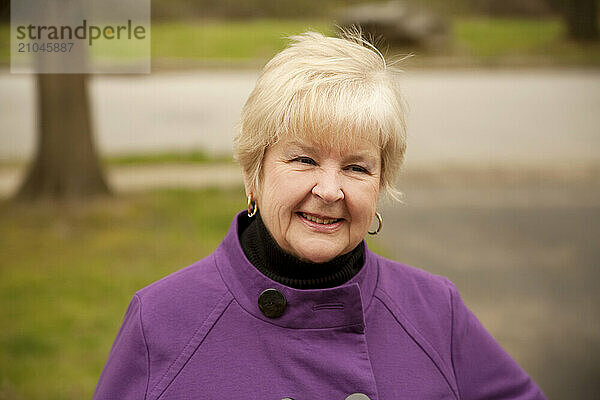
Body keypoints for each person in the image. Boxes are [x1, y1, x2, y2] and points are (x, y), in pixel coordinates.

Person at [93, 31, 546, 399]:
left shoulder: (435, 312)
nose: (329, 191)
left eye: (356, 167)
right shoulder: (162, 320)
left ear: (381, 185)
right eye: (304, 160)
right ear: (254, 173)